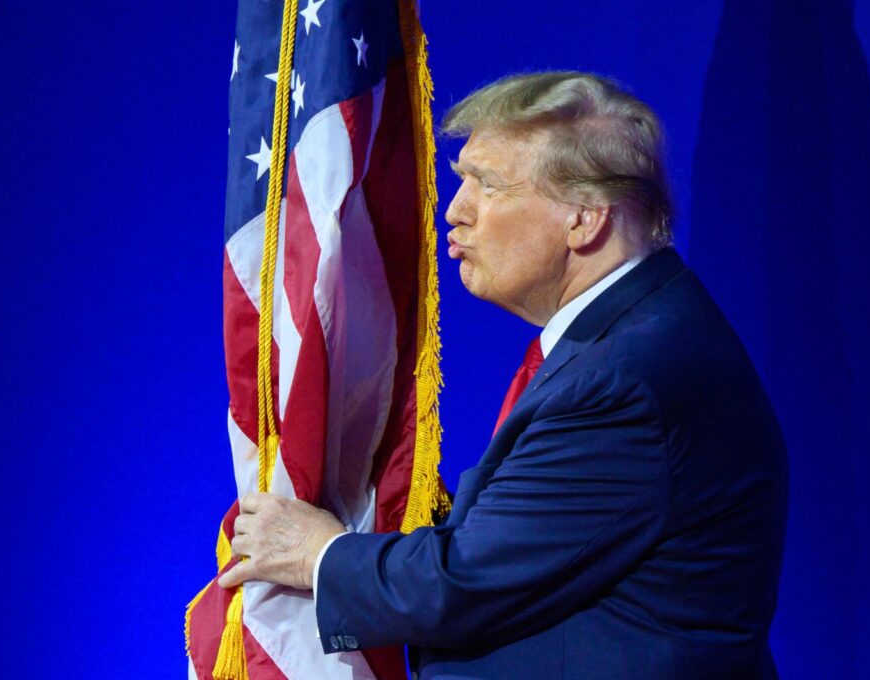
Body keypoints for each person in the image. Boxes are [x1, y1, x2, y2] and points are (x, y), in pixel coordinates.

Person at [218, 71, 788, 679]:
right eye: (462, 180)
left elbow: (465, 583)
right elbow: (533, 551)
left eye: (486, 186)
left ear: (584, 218)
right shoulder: (635, 336)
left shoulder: (626, 382)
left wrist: (318, 555)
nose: (454, 211)